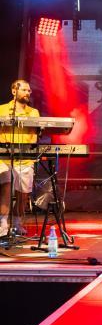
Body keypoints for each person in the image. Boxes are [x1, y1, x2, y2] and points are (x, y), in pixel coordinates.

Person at [0, 80, 39, 236]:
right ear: (14, 91)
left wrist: (31, 153)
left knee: (23, 194)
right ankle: (3, 224)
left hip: (25, 158)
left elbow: (34, 134)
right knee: (5, 187)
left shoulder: (33, 112)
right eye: (24, 90)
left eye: (29, 90)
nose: (28, 93)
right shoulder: (2, 109)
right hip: (4, 157)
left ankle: (17, 223)